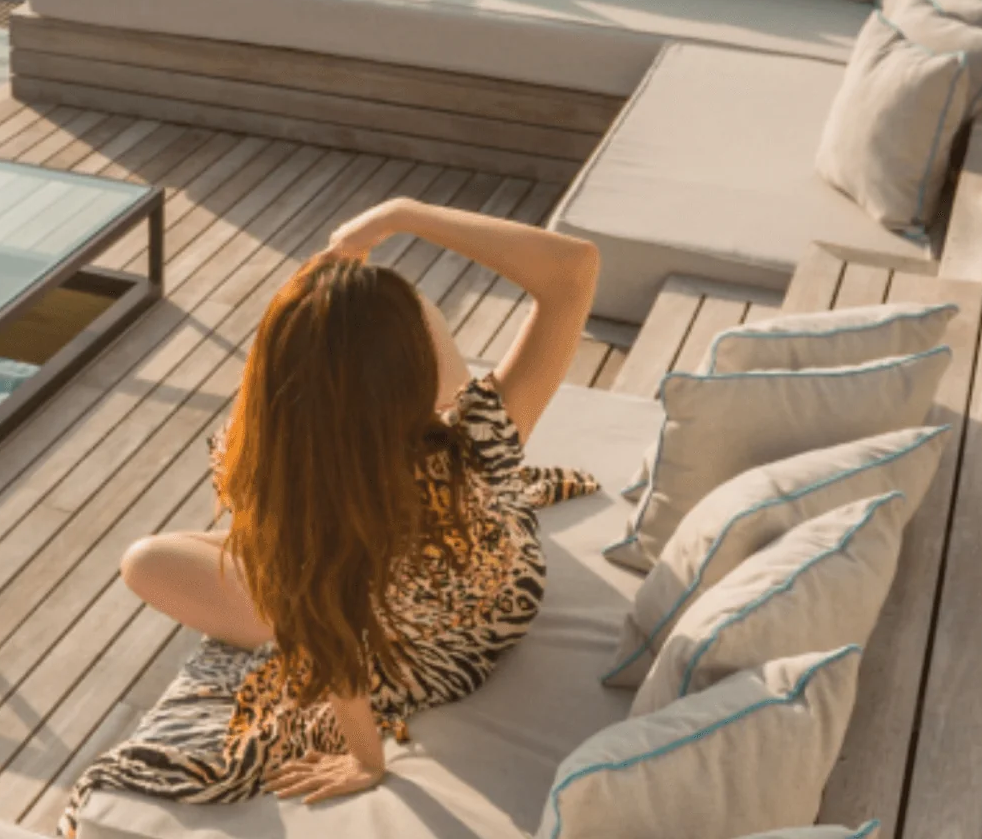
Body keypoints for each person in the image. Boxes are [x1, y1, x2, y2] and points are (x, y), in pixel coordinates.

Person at [63, 198, 602, 832]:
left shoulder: (270, 473)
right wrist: (401, 215)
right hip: (505, 594)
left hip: (424, 651)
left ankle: (274, 536)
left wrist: (364, 758)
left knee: (146, 562)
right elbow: (573, 270)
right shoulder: (479, 441)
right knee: (388, 302)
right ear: (410, 375)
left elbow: (332, 640)